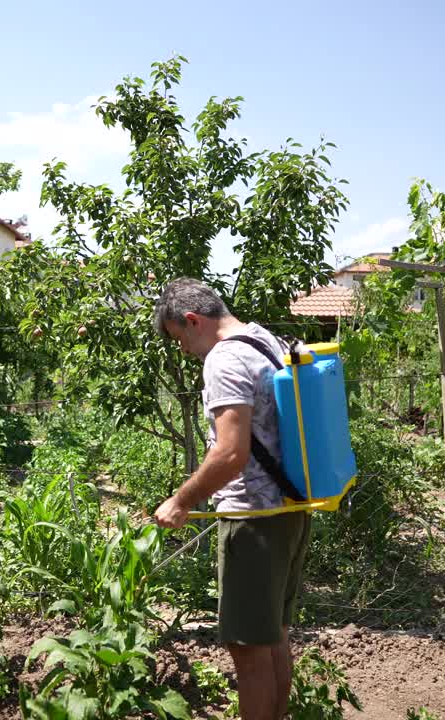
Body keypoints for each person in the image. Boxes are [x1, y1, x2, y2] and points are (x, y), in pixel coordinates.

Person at [151, 278, 311, 720]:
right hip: (291, 509)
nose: (183, 350)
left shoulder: (223, 359)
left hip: (253, 519)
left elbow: (230, 452)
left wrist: (182, 499)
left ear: (193, 320)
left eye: (180, 338)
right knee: (273, 637)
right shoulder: (265, 338)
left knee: (247, 650)